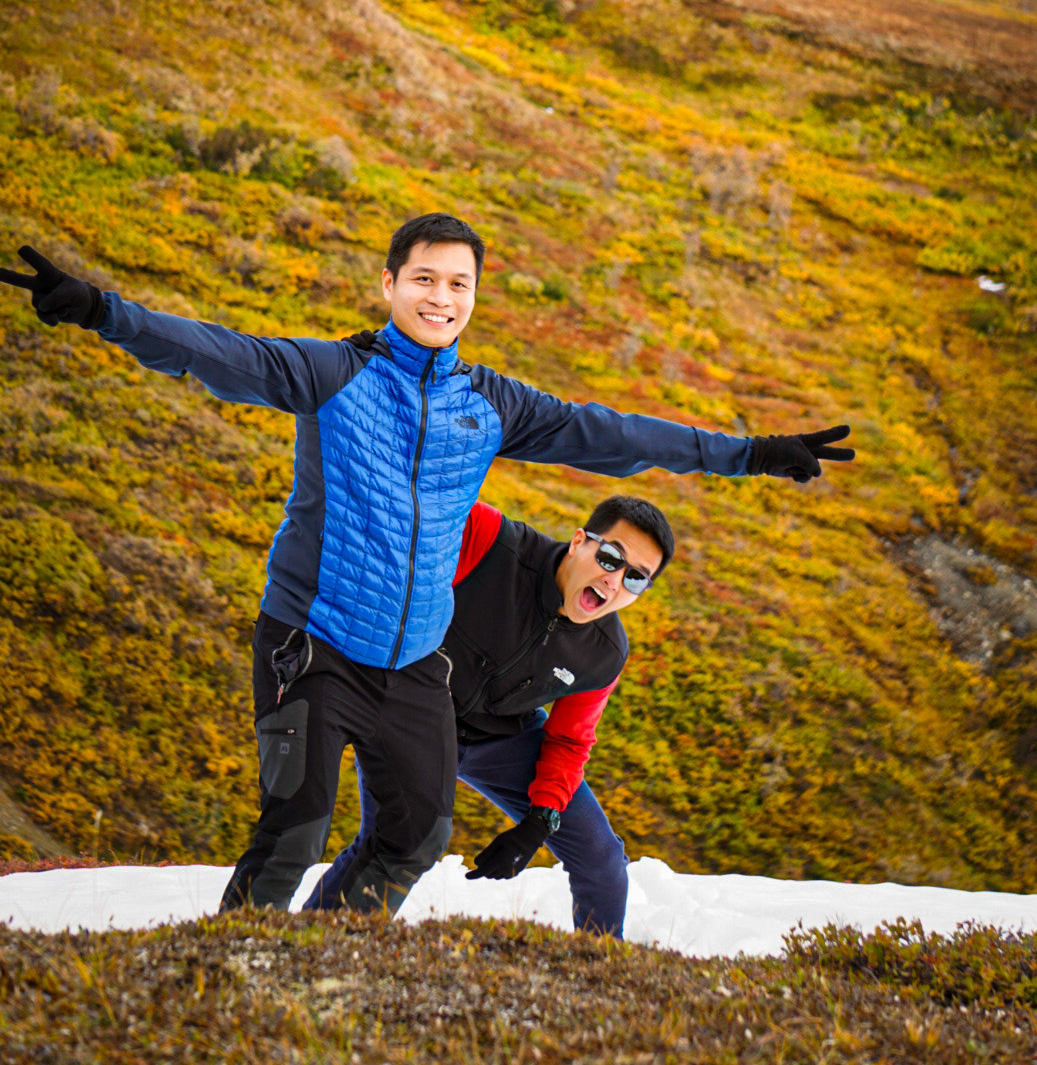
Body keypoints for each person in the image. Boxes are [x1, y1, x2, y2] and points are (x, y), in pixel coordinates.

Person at [0, 213, 853, 916]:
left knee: (416, 835)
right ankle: (235, 969)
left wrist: (748, 453)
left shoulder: (491, 403)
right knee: (296, 824)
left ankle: (324, 966)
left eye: (459, 284)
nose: (440, 297)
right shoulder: (334, 371)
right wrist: (103, 311)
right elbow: (227, 353)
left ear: (474, 297)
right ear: (390, 285)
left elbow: (615, 433)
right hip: (313, 642)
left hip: (413, 663)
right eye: (424, 279)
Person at [308, 493, 673, 936]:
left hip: (503, 737)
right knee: (402, 838)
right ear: (579, 541)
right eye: (611, 557)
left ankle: (601, 975)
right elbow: (401, 516)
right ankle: (316, 945)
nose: (615, 580)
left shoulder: (604, 654)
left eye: (636, 578)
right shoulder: (492, 543)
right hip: (413, 712)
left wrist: (539, 822)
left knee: (603, 860)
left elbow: (569, 741)